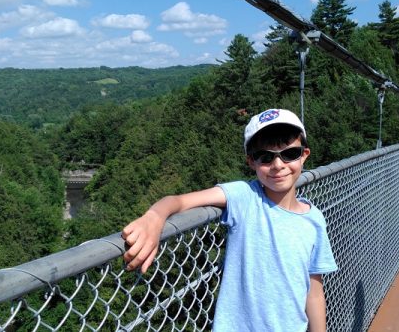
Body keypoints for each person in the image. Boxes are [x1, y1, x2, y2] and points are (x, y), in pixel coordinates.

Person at [121, 108, 338, 332]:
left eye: (289, 154)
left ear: (304, 155)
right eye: (265, 156)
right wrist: (154, 218)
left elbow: (314, 291)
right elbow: (178, 201)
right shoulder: (245, 197)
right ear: (251, 162)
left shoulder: (314, 220)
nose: (278, 165)